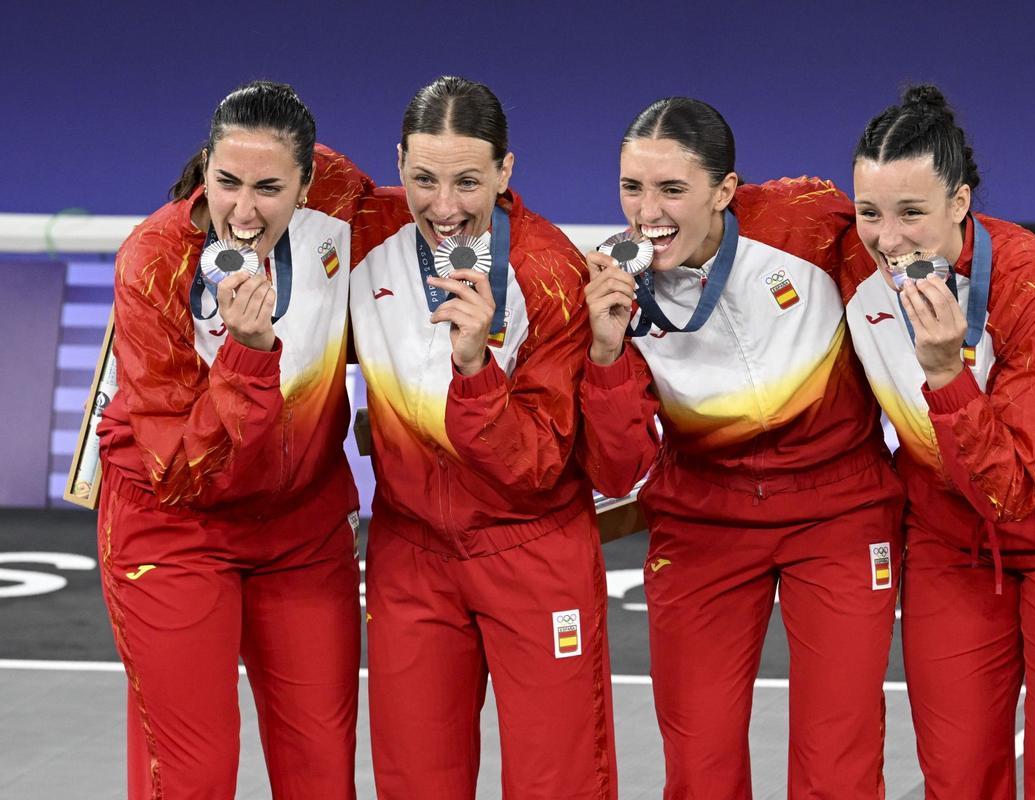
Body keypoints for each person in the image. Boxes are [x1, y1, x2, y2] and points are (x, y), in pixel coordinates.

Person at [579, 97, 904, 799]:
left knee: (837, 754)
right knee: (699, 763)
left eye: (672, 189)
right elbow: (617, 468)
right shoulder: (611, 281)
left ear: (725, 190)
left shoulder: (806, 220)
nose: (647, 211)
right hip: (704, 522)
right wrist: (605, 354)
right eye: (632, 187)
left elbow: (904, 251)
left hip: (839, 513)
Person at [843, 84, 1035, 798]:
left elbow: (1009, 489)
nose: (888, 239)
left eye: (911, 212)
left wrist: (949, 372)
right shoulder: (852, 257)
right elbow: (763, 211)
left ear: (960, 202)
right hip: (951, 545)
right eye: (869, 212)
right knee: (955, 781)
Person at [96, 80, 372, 799]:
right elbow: (183, 470)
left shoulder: (340, 200)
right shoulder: (153, 260)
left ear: (308, 182)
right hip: (174, 525)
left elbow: (441, 215)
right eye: (228, 183)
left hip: (302, 531)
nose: (244, 212)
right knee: (193, 775)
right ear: (206, 170)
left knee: (321, 773)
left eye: (269, 188)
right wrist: (249, 356)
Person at [349, 75, 616, 800]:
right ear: (398, 161)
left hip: (530, 548)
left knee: (556, 783)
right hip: (411, 555)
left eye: (468, 181)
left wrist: (474, 370)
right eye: (423, 178)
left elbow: (531, 464)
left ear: (505, 171)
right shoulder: (363, 238)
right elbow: (270, 169)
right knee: (414, 782)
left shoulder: (550, 271)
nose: (444, 207)